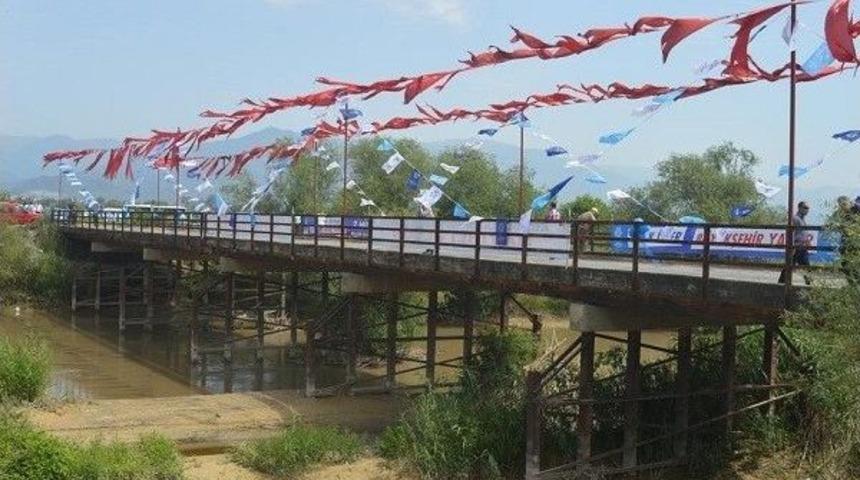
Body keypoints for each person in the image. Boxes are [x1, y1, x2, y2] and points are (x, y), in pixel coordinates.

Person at [778, 201, 811, 284]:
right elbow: (791, 232)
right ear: (799, 208)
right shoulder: (795, 219)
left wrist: (807, 241)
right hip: (796, 247)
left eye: (808, 208)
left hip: (802, 247)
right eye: (805, 208)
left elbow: (802, 233)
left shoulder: (802, 220)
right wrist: (792, 246)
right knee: (790, 265)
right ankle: (782, 282)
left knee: (804, 266)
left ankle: (809, 282)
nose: (807, 210)